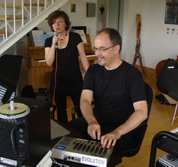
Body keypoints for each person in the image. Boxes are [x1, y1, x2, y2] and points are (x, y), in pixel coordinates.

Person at [67, 28, 148, 165]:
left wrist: (117, 132)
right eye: (96, 48)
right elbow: (85, 100)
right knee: (64, 136)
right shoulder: (93, 70)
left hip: (121, 128)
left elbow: (142, 112)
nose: (97, 54)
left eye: (102, 49)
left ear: (116, 48)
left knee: (98, 157)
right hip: (96, 123)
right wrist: (91, 121)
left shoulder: (133, 75)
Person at [45, 10, 89, 123]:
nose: (57, 25)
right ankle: (64, 132)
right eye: (54, 22)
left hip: (75, 79)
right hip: (58, 81)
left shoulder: (75, 37)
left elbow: (83, 57)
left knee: (80, 106)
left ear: (66, 23)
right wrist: (54, 44)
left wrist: (89, 75)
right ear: (51, 25)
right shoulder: (49, 41)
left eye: (60, 22)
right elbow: (49, 62)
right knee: (61, 109)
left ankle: (83, 128)